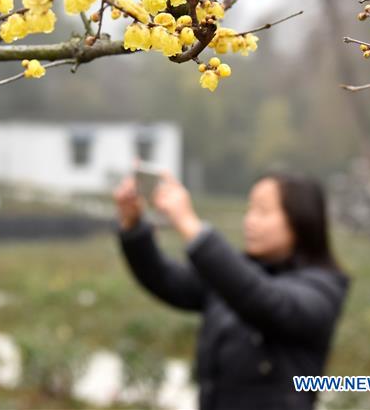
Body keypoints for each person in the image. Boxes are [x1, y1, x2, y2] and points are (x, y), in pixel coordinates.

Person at [114, 170, 350, 410]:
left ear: (301, 219)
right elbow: (166, 279)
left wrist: (189, 225)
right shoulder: (232, 278)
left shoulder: (323, 287)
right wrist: (133, 226)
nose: (250, 221)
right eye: (250, 210)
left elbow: (267, 302)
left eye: (263, 211)